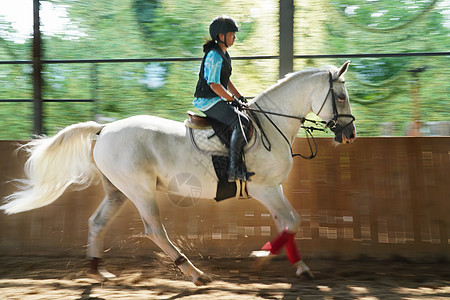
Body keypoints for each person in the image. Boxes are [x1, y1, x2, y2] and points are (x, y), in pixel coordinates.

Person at [193, 15, 254, 182]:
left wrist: (240, 96)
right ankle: (234, 168)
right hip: (207, 101)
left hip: (216, 98)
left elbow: (225, 80)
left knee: (244, 115)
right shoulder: (214, 56)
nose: (235, 37)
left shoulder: (224, 54)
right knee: (241, 122)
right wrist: (233, 100)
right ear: (221, 36)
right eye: (232, 34)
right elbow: (214, 85)